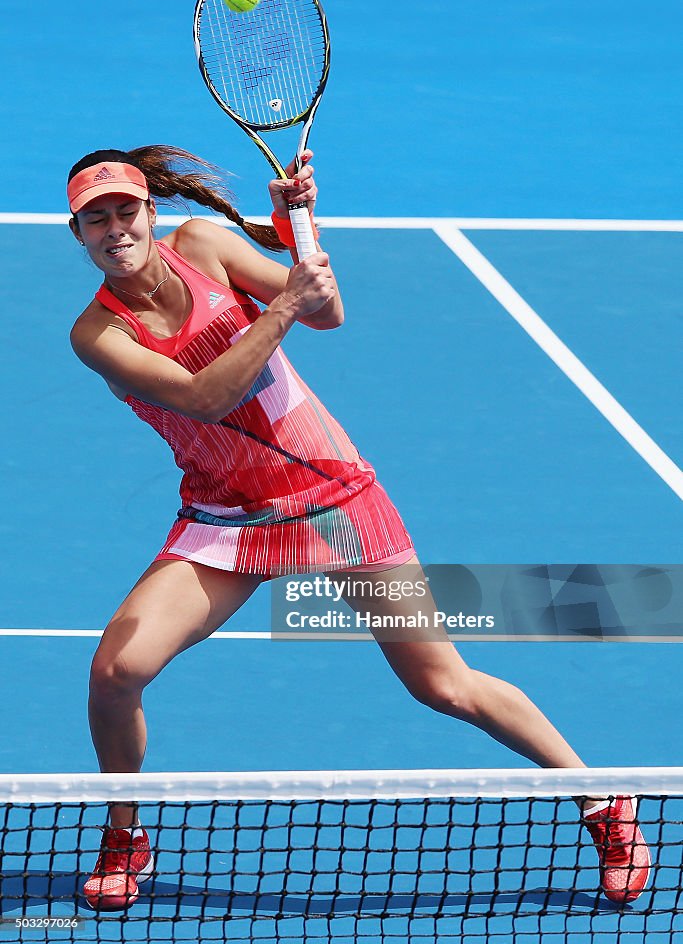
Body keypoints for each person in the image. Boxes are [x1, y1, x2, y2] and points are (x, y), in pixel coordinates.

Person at [67, 145, 649, 911]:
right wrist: (282, 304)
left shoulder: (204, 248)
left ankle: (604, 803)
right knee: (115, 674)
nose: (115, 228)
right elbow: (207, 398)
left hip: (332, 501)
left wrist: (296, 221)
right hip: (227, 517)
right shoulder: (98, 336)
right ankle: (125, 831)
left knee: (444, 686)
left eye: (126, 210)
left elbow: (328, 312)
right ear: (76, 234)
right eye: (95, 218)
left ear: (151, 213)